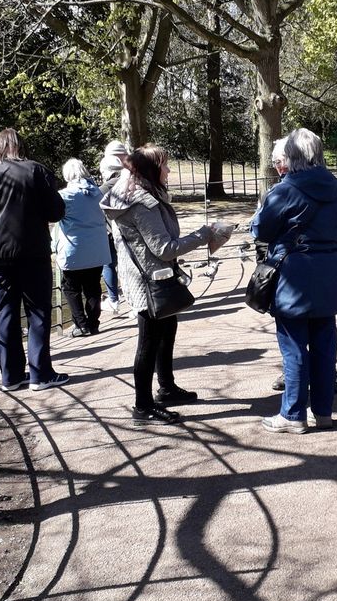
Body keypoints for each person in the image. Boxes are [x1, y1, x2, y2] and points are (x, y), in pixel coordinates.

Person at [101, 145, 219, 425]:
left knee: (167, 330)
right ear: (151, 170)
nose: (169, 170)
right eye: (165, 165)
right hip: (148, 281)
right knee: (148, 342)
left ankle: (166, 387)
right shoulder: (141, 203)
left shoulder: (141, 194)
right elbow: (164, 248)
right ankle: (143, 406)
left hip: (154, 277)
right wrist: (203, 235)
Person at [252, 128, 337, 434]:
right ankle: (323, 412)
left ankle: (293, 414)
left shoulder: (285, 189)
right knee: (324, 344)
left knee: (293, 347)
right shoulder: (335, 186)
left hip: (294, 273)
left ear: (291, 156)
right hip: (329, 271)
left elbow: (261, 232)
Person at [0, 128, 67, 392]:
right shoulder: (36, 171)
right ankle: (40, 374)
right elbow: (57, 211)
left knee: (6, 312)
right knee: (38, 312)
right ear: (21, 146)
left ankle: (11, 376)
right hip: (32, 251)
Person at [54, 159, 110, 337]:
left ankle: (81, 324)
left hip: (74, 249)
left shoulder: (64, 196)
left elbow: (54, 217)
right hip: (97, 248)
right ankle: (93, 323)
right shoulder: (99, 194)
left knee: (71, 288)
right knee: (93, 287)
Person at [98, 140, 129, 314]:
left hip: (111, 231)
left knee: (108, 265)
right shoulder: (130, 181)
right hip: (129, 230)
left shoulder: (103, 188)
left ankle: (113, 300)